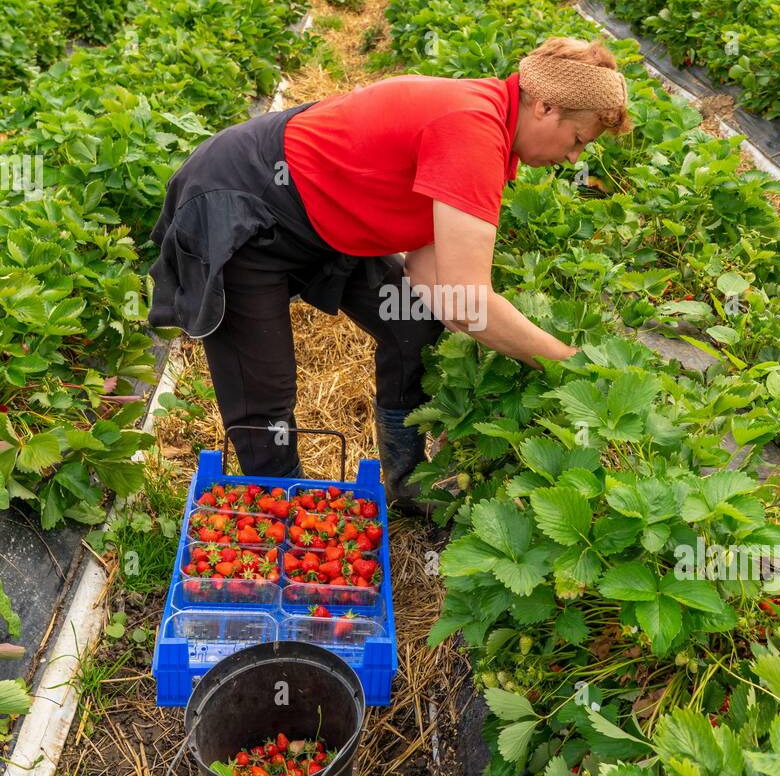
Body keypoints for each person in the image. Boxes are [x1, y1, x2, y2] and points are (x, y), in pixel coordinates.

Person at [147, 36, 630, 512]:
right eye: (578, 140)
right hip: (243, 200)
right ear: (545, 107)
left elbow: (431, 275)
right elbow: (468, 301)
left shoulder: (488, 126)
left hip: (328, 214)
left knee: (413, 324)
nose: (574, 159)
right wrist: (568, 365)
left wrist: (486, 328)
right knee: (264, 393)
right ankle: (284, 519)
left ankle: (408, 481)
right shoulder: (472, 129)